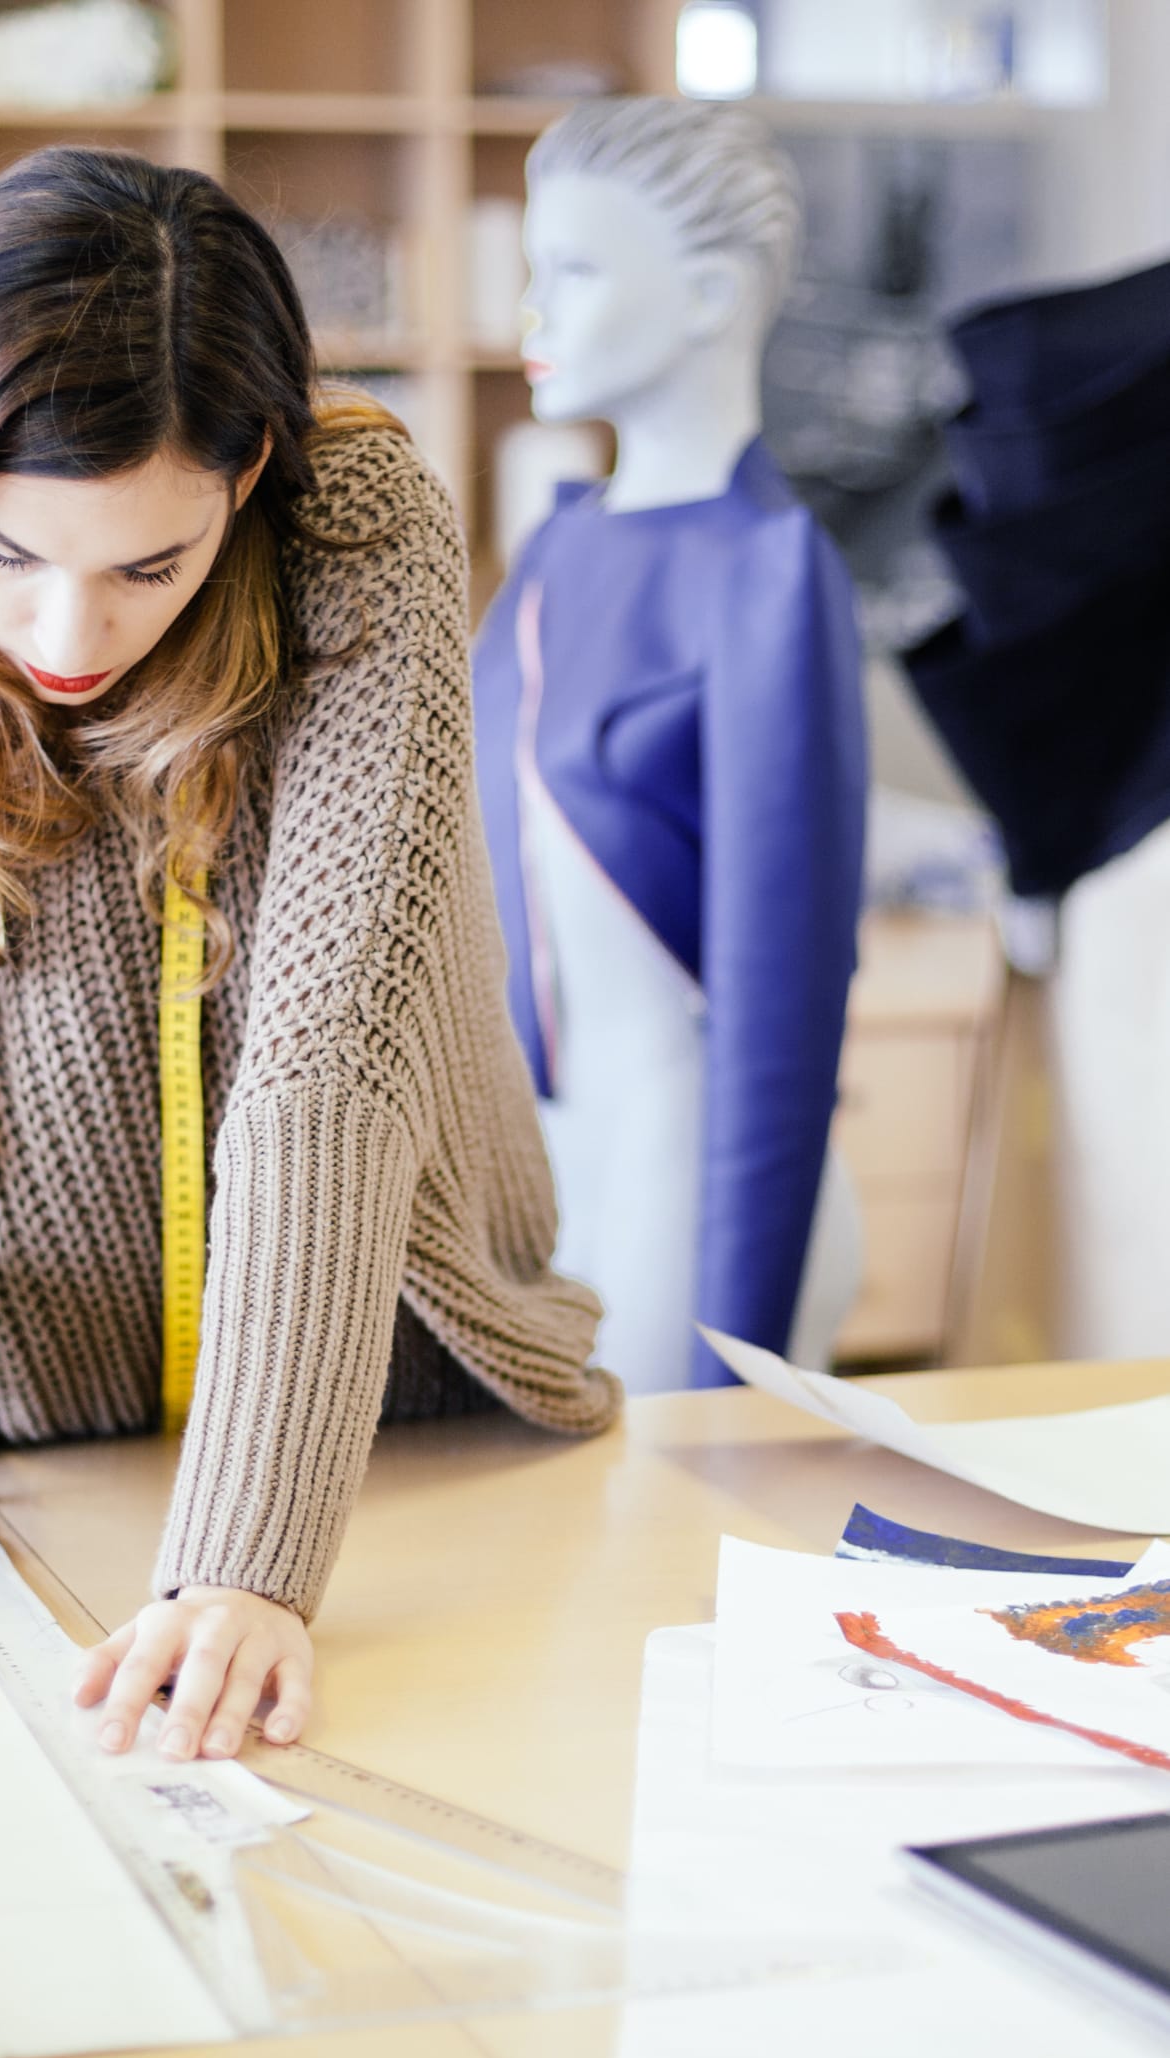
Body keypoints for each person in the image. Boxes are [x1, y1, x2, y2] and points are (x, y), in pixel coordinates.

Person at [0, 145, 616, 1764]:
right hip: (33, 1454)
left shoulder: (352, 539)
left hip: (393, 1434)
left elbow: (330, 1065)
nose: (65, 639)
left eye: (148, 567)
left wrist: (249, 1562)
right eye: (4, 556)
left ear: (250, 468)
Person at [472, 98, 868, 1395]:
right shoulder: (557, 544)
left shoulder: (767, 575)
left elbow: (781, 998)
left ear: (707, 294)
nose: (533, 313)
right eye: (535, 272)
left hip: (694, 1180)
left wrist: (733, 1340)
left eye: (575, 273)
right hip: (547, 1157)